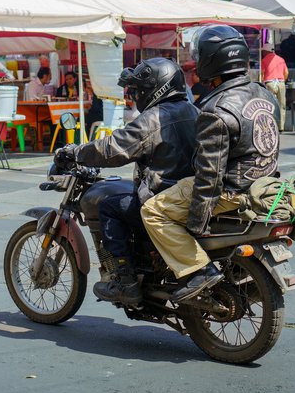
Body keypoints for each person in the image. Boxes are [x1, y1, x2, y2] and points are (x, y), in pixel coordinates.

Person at [141, 25, 281, 303]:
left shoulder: (216, 109)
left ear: (211, 60)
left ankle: (198, 270)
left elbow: (210, 174)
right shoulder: (265, 95)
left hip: (231, 191)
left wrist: (198, 220)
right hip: (263, 185)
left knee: (152, 210)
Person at [54, 58, 198, 305]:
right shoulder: (194, 110)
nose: (136, 95)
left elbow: (113, 148)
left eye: (139, 89)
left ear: (156, 88)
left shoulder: (154, 118)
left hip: (163, 196)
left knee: (109, 207)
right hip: (190, 193)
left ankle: (126, 282)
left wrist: (76, 152)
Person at [260, 42, 288, 131]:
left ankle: (271, 125)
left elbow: (261, 74)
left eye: (263, 51)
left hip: (270, 83)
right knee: (282, 105)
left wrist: (262, 83)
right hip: (281, 83)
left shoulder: (264, 60)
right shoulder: (281, 59)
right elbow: (286, 73)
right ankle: (281, 127)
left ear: (266, 51)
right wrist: (282, 81)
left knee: (269, 105)